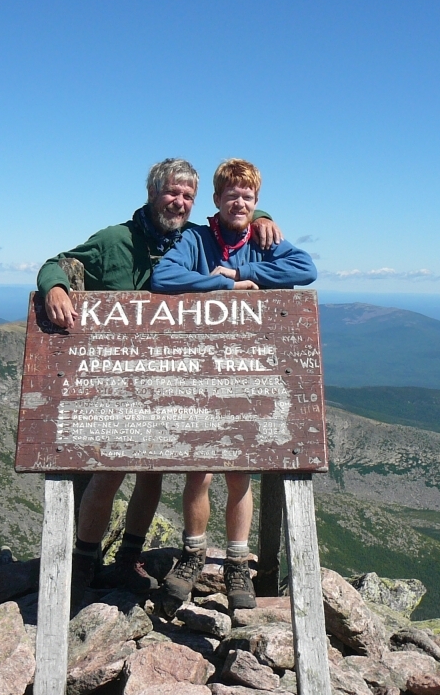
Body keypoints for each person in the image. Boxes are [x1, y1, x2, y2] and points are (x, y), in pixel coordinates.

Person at [36, 158, 283, 606]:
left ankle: (129, 558)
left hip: (167, 374)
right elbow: (59, 262)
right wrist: (54, 285)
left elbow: (231, 224)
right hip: (112, 377)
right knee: (107, 472)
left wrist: (260, 217)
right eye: (172, 193)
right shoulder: (116, 240)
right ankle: (84, 563)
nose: (179, 201)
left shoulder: (189, 238)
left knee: (151, 474)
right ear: (152, 193)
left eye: (187, 196)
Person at [150, 158, 316, 611]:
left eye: (248, 197)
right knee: (198, 470)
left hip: (247, 375)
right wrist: (217, 285)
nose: (239, 202)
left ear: (256, 203)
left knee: (240, 472)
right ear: (218, 201)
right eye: (231, 195)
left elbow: (305, 269)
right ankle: (193, 554)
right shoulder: (197, 238)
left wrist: (247, 276)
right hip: (198, 374)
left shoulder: (263, 241)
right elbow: (163, 276)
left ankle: (239, 565)